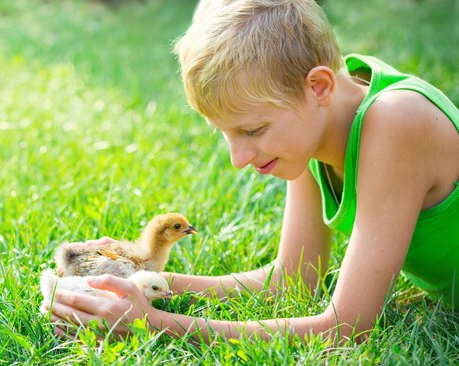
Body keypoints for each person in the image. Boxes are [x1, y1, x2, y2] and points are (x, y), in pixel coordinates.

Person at [44, 0, 459, 343]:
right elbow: (292, 281)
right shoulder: (318, 124)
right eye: (226, 133)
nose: (238, 159)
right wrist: (138, 278)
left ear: (318, 87)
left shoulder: (396, 122)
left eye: (252, 130)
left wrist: (151, 322)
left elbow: (346, 328)